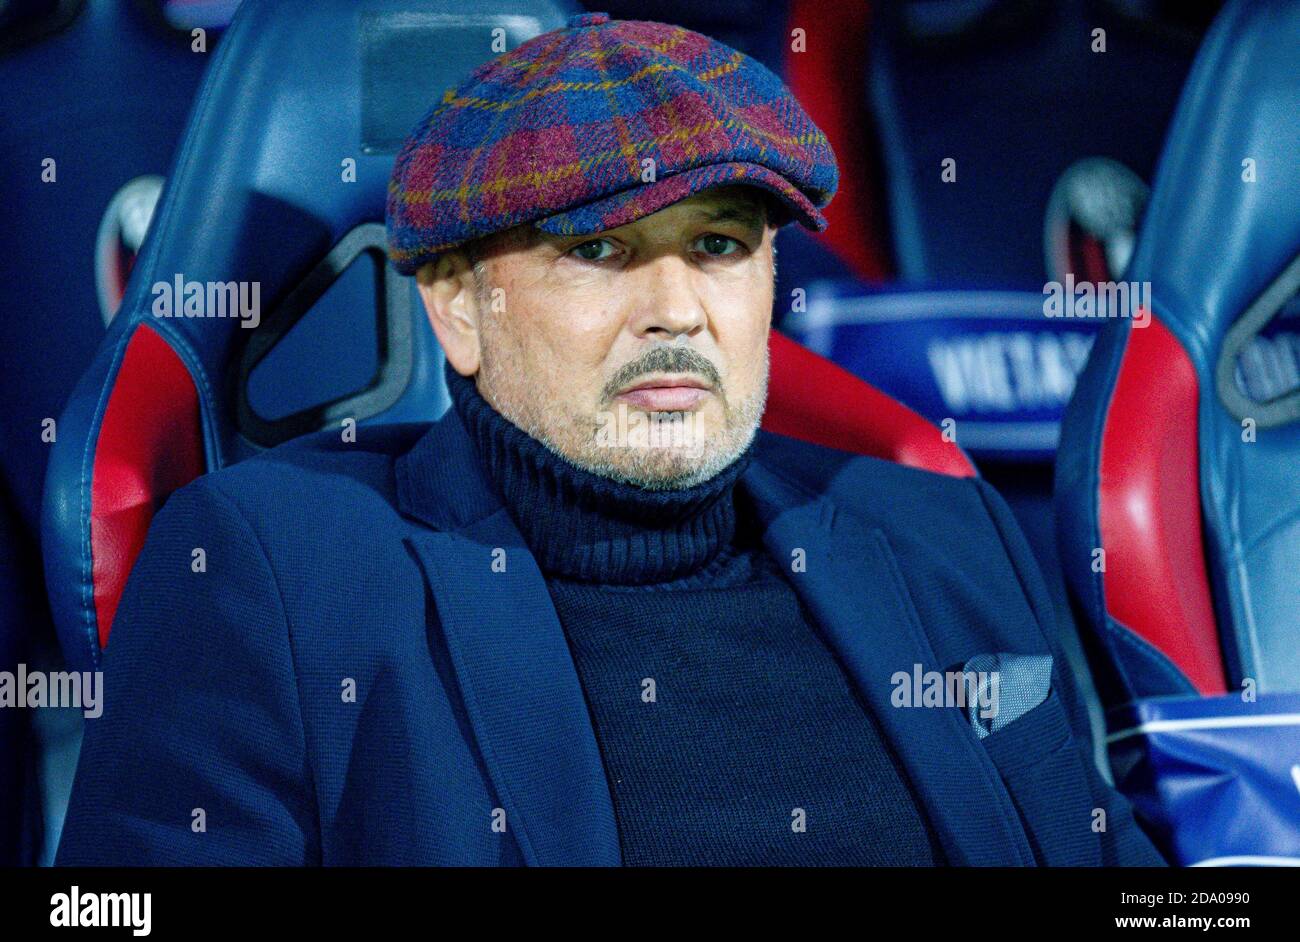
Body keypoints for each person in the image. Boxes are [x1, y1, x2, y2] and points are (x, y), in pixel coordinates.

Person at [56, 12, 1164, 866]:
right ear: (455, 309)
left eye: (720, 244)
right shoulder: (273, 569)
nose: (677, 308)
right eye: (598, 252)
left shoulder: (939, 529)